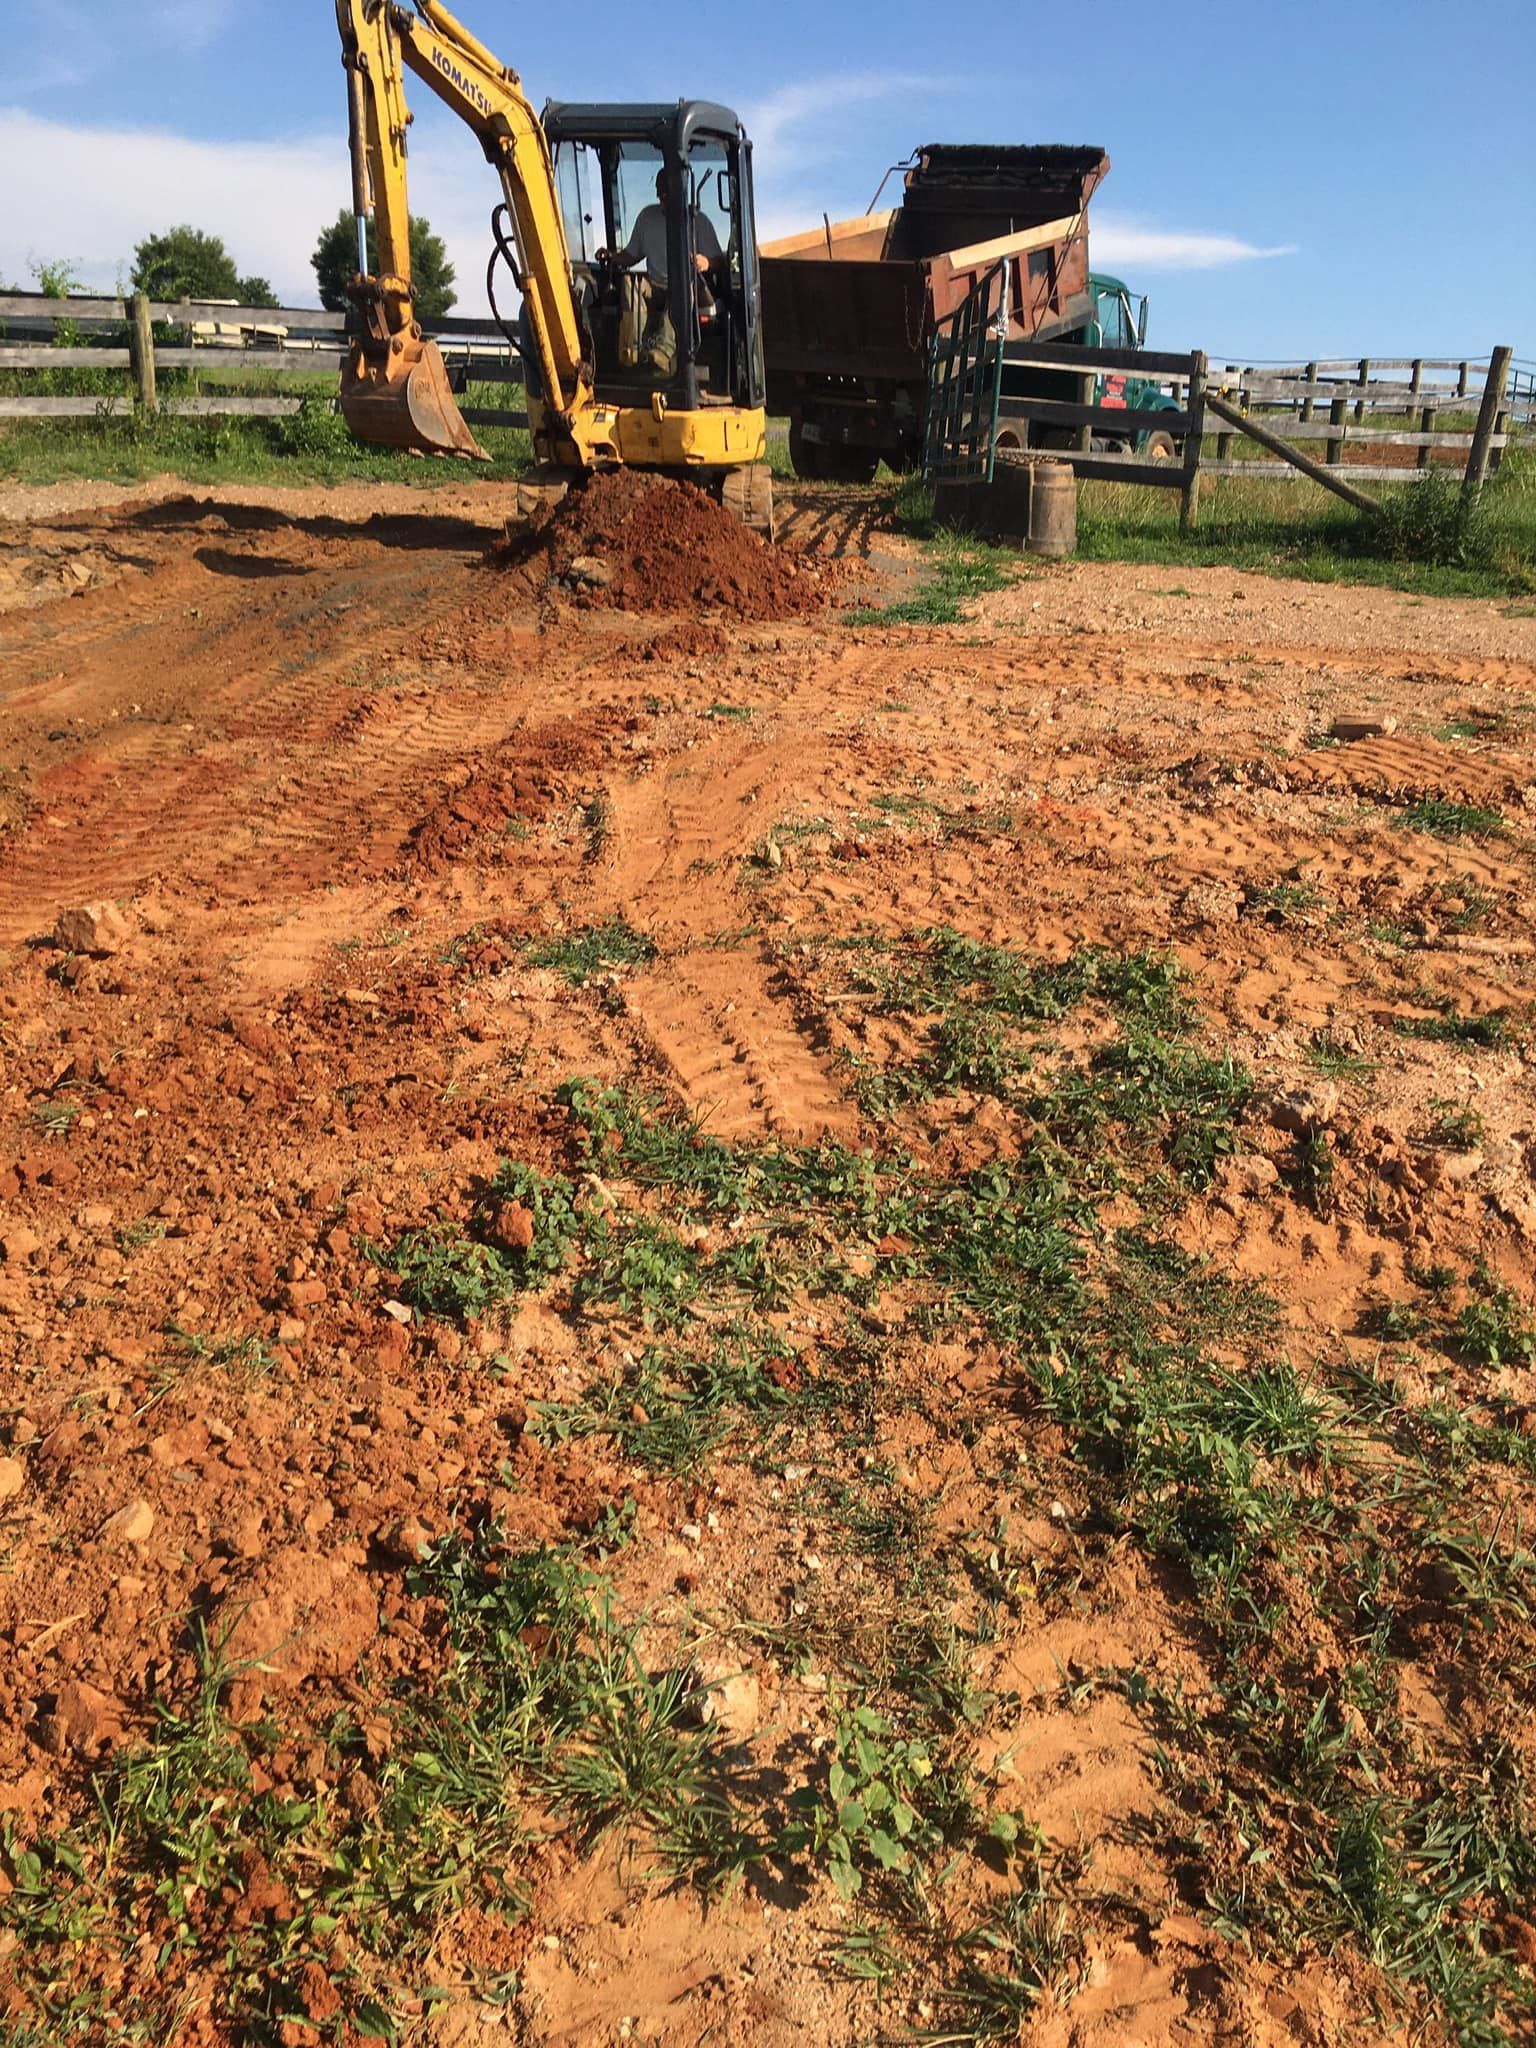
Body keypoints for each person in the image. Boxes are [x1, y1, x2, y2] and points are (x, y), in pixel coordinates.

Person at [604, 167, 723, 373]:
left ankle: (662, 352)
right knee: (629, 284)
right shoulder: (647, 218)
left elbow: (719, 261)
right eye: (662, 194)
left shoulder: (699, 222)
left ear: (682, 191)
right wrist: (612, 257)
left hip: (682, 288)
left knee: (684, 285)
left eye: (669, 194)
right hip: (655, 288)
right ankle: (633, 350)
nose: (664, 199)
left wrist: (706, 263)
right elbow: (631, 255)